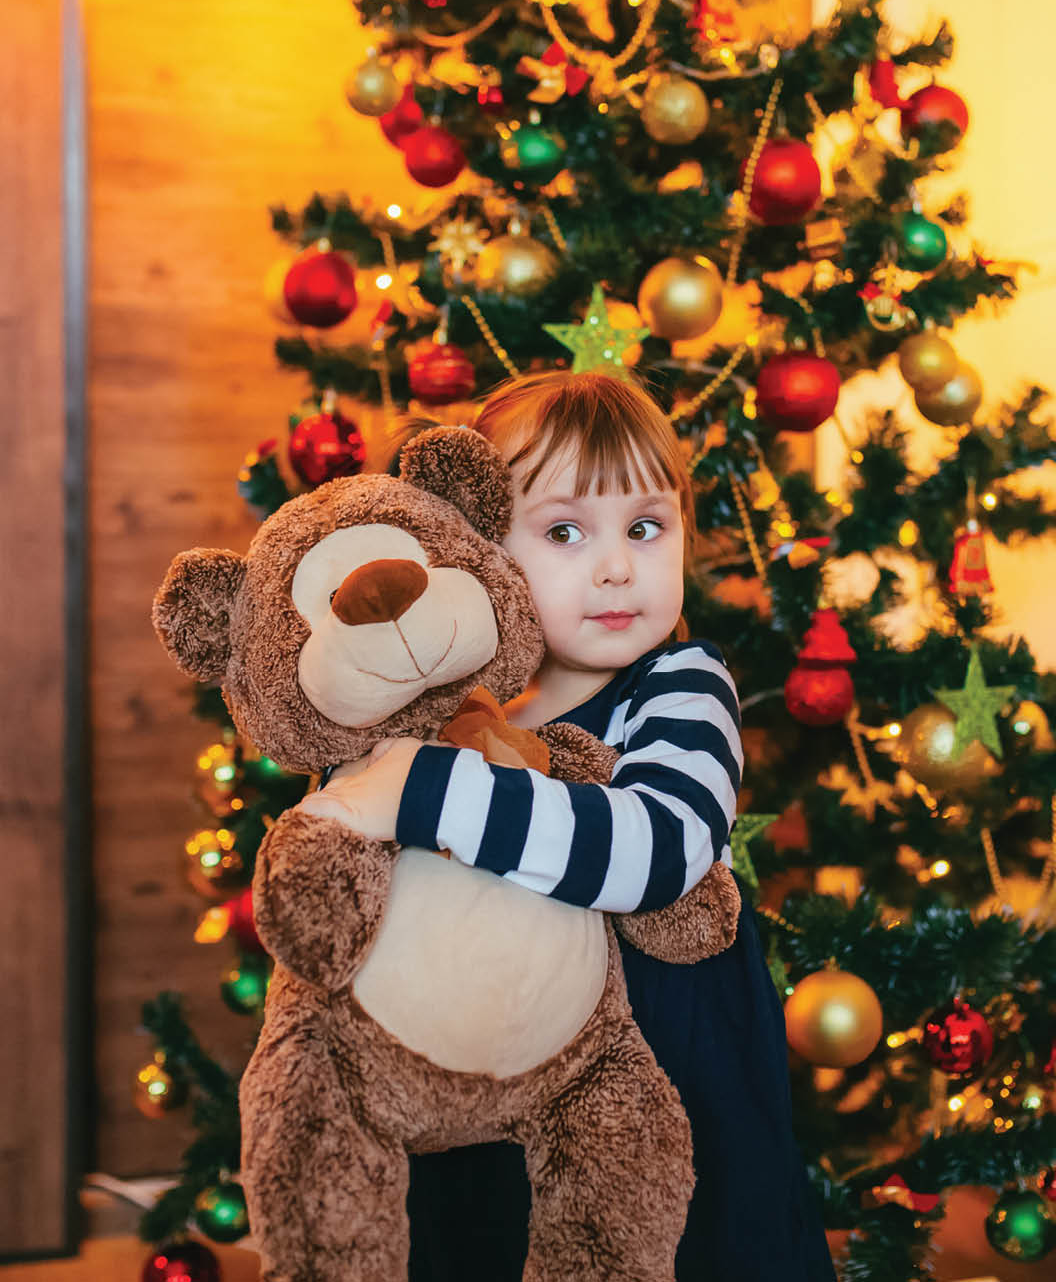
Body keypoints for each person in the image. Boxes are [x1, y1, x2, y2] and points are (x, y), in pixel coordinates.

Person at [299, 370, 836, 1282]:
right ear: (478, 553)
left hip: (668, 1089)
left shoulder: (679, 688)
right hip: (487, 1091)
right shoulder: (453, 707)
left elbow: (658, 846)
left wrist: (425, 793)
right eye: (562, 532)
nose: (618, 566)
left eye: (645, 527)